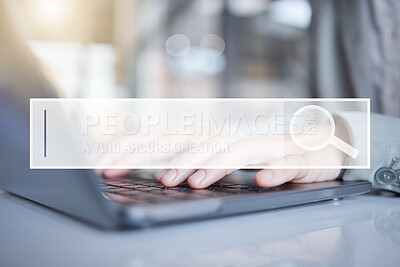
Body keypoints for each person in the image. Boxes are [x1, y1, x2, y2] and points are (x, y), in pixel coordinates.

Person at [102, 0, 400, 194]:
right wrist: (231, 137)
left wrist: (351, 142)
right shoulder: (330, 10)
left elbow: (323, 138)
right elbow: (302, 121)